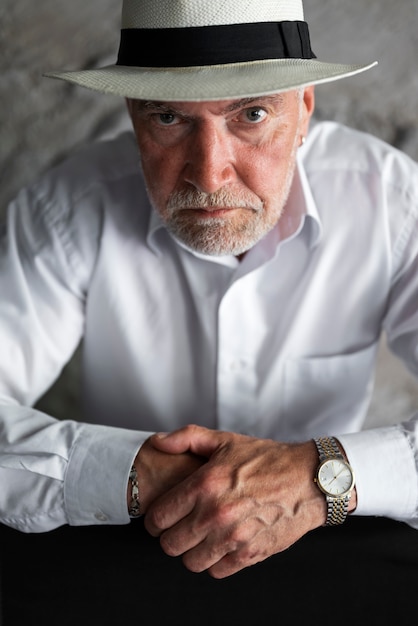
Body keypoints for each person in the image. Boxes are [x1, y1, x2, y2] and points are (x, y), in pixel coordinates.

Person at [1, 0, 418, 623]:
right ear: (132, 117)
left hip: (327, 541)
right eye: (168, 117)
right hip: (122, 546)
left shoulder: (391, 200)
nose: (209, 172)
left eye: (251, 114)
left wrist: (314, 476)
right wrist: (134, 474)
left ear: (304, 109)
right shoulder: (67, 207)